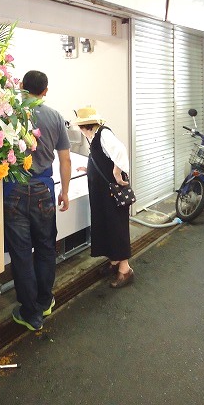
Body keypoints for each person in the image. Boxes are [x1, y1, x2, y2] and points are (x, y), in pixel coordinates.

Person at [4, 70, 71, 331]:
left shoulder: (9, 113)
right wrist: (65, 191)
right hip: (44, 190)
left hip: (14, 190)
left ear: (21, 86)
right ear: (45, 91)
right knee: (45, 247)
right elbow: (65, 159)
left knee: (21, 253)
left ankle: (31, 314)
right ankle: (45, 301)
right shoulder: (56, 117)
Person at [74, 107, 133, 288]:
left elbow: (120, 152)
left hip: (111, 191)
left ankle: (125, 269)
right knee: (106, 225)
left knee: (116, 226)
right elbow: (102, 158)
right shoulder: (94, 136)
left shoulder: (104, 134)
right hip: (102, 192)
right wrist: (89, 168)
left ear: (84, 126)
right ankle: (114, 261)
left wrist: (117, 172)